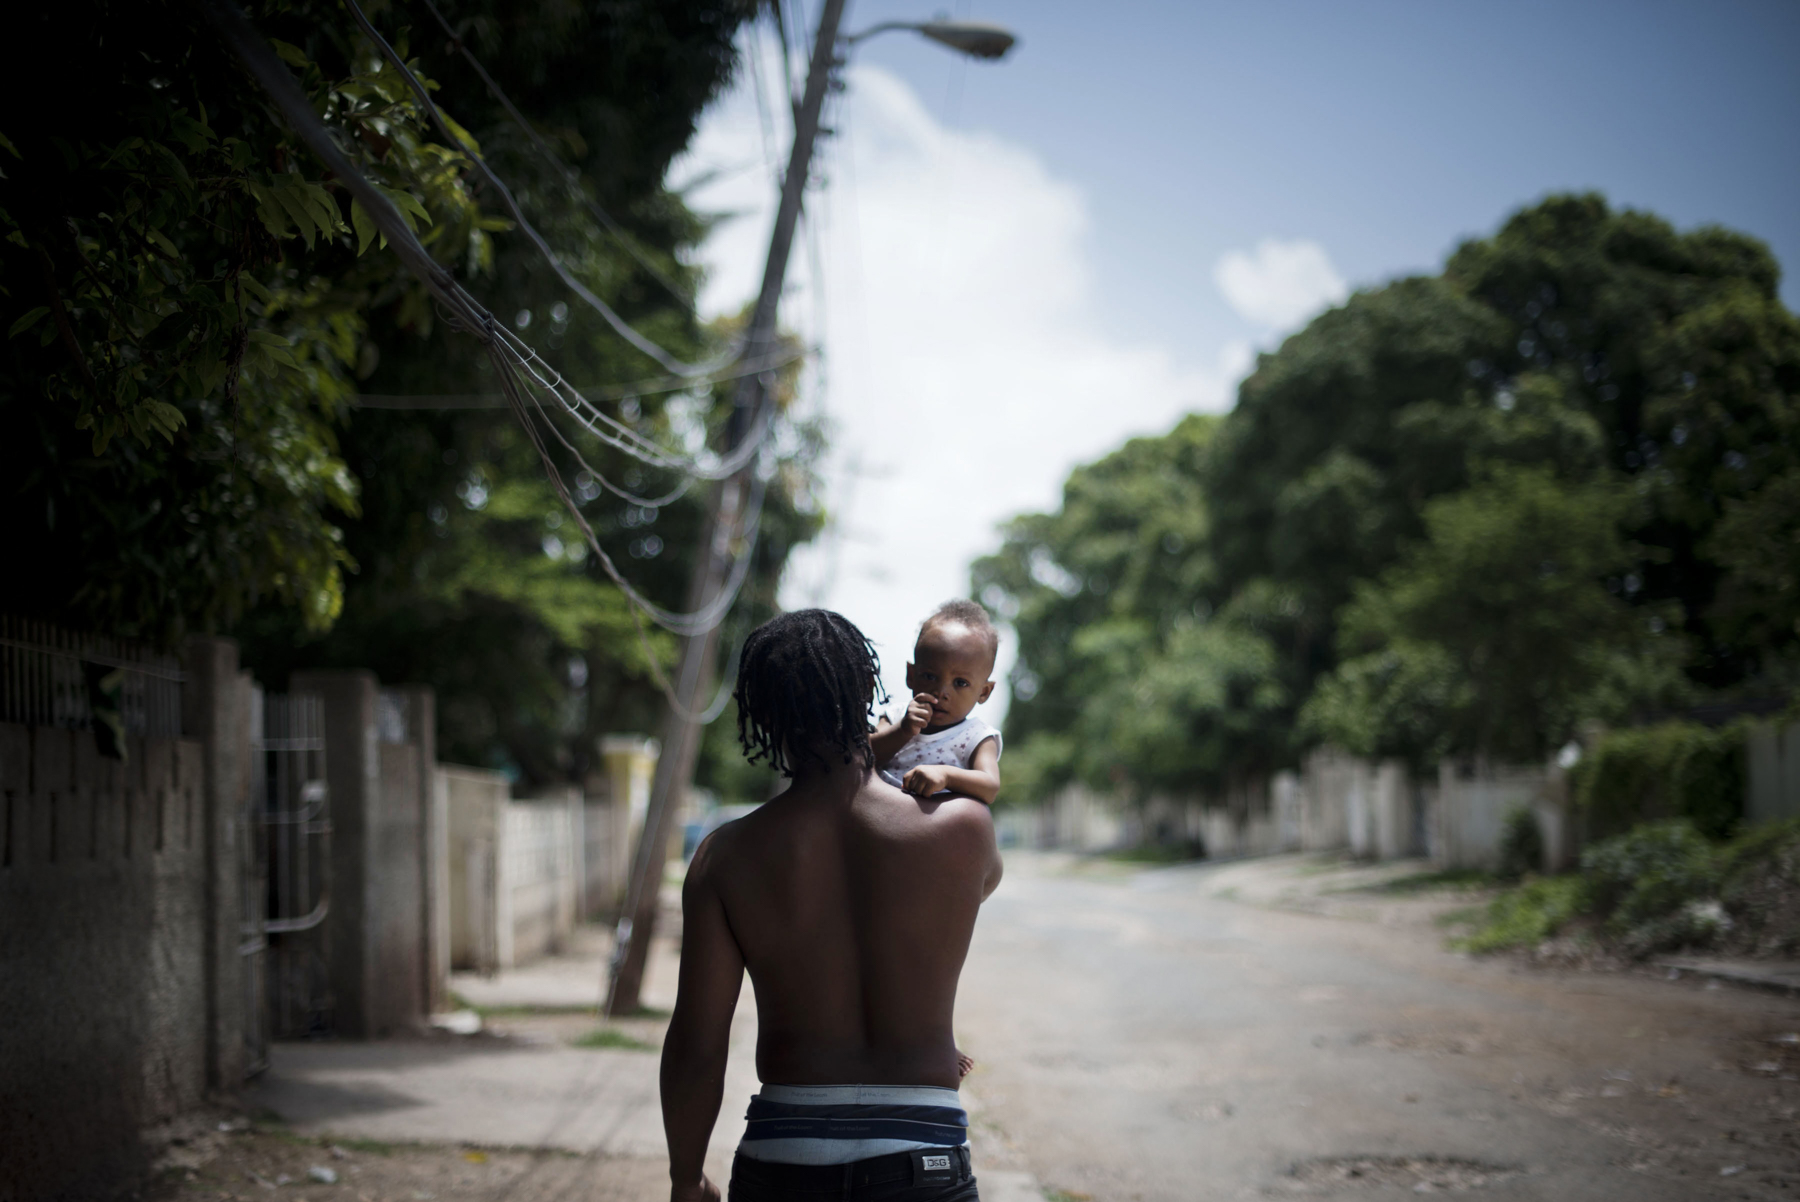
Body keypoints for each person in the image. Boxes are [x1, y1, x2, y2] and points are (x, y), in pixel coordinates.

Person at [660, 609, 1004, 1202]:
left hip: (783, 1160)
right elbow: (972, 891)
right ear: (872, 692)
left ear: (762, 716)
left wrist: (686, 1178)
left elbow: (697, 1040)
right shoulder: (964, 830)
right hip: (922, 1159)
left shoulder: (726, 858)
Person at [869, 600, 1003, 805]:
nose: (941, 692)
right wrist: (903, 730)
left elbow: (990, 786)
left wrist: (946, 775)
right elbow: (865, 755)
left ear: (984, 692)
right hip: (878, 821)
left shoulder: (977, 737)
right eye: (930, 676)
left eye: (960, 682)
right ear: (911, 675)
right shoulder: (896, 716)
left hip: (936, 833)